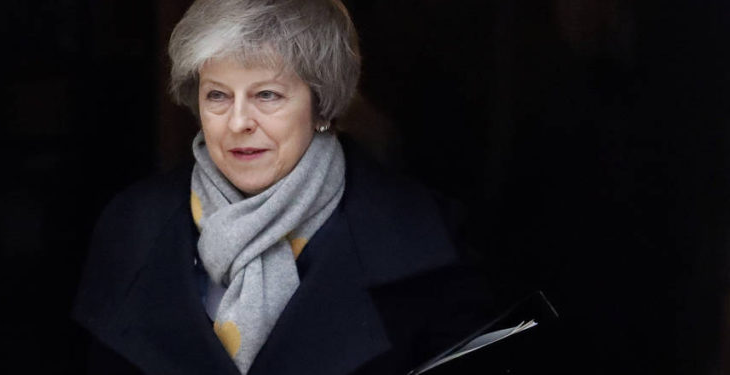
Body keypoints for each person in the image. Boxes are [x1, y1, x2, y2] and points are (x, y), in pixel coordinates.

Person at [73, 0, 494, 374]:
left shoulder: (422, 235)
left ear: (321, 105)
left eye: (268, 95)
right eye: (218, 96)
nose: (238, 122)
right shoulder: (132, 226)